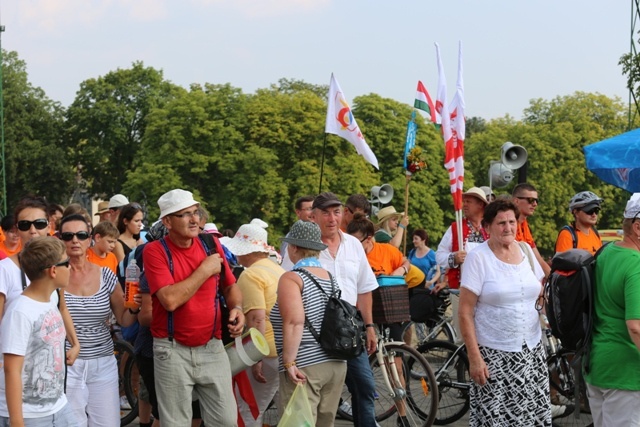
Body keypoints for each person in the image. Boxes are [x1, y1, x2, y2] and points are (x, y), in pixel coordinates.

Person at [143, 189, 244, 425]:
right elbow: (169, 300)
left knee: (226, 421)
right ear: (167, 221)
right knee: (176, 422)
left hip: (212, 344)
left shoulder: (210, 244)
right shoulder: (155, 250)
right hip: (172, 349)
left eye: (195, 212)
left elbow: (230, 287)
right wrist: (205, 270)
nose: (194, 219)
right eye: (185, 214)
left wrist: (237, 307)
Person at [283, 192, 379, 427]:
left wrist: (369, 326)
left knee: (365, 387)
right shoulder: (301, 247)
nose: (332, 218)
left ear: (343, 213)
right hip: (313, 334)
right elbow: (287, 283)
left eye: (336, 212)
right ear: (313, 216)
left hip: (348, 329)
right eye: (325, 212)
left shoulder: (354, 245)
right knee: (317, 401)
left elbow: (364, 289)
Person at [459, 198, 551, 426]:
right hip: (494, 356)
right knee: (497, 418)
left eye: (512, 221)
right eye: (501, 223)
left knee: (530, 416)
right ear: (487, 227)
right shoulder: (478, 258)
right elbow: (465, 312)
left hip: (531, 353)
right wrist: (474, 358)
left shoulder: (526, 251)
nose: (508, 227)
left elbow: (539, 290)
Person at [0, 196, 80, 422]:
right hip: (20, 385)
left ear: (49, 225)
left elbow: (60, 307)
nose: (33, 230)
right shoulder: (4, 271)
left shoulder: (55, 271)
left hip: (51, 391)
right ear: (17, 230)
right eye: (25, 225)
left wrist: (75, 343)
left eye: (39, 224)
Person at [61, 213, 141, 426]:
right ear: (61, 240)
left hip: (103, 362)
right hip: (67, 363)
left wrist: (134, 307)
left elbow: (123, 320)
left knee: (107, 423)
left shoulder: (106, 274)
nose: (75, 240)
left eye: (80, 234)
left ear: (90, 238)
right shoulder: (55, 277)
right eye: (68, 236)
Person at [271, 220, 347, 426]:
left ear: (294, 248)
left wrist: (289, 362)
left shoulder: (292, 278)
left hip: (306, 364)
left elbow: (295, 321)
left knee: (298, 422)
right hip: (336, 363)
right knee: (325, 423)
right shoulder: (330, 278)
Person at [346, 213, 413, 426]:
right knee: (361, 369)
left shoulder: (386, 250)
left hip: (388, 308)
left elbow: (406, 263)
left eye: (358, 242)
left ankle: (402, 414)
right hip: (363, 312)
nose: (355, 246)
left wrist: (399, 271)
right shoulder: (352, 257)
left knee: (398, 362)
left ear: (369, 239)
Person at [584, 193, 640, 426]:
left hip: (597, 364)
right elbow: (635, 326)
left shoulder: (606, 252)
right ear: (637, 227)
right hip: (625, 372)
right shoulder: (636, 264)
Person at [224, 219, 285, 427]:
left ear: (247, 251)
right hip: (284, 349)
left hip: (264, 350)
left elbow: (256, 317)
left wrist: (255, 357)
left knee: (249, 408)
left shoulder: (250, 275)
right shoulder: (278, 270)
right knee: (284, 410)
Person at [512, 183, 551, 277]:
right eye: (530, 200)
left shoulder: (525, 225)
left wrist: (554, 279)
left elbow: (538, 258)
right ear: (516, 201)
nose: (535, 204)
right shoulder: (508, 224)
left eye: (536, 200)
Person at [555, 191, 603, 255]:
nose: (594, 215)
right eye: (590, 211)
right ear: (576, 213)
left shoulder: (595, 233)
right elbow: (562, 263)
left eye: (596, 211)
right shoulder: (567, 234)